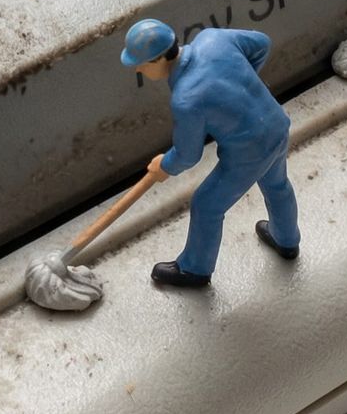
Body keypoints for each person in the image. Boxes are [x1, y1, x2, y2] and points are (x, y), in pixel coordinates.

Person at [121, 19, 300, 290]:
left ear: (158, 60)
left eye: (141, 64)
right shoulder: (213, 39)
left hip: (248, 151)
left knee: (206, 205)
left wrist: (164, 165)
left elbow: (188, 155)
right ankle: (287, 240)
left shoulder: (187, 98)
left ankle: (194, 269)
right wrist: (240, 87)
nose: (139, 69)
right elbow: (262, 42)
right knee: (277, 185)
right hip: (276, 126)